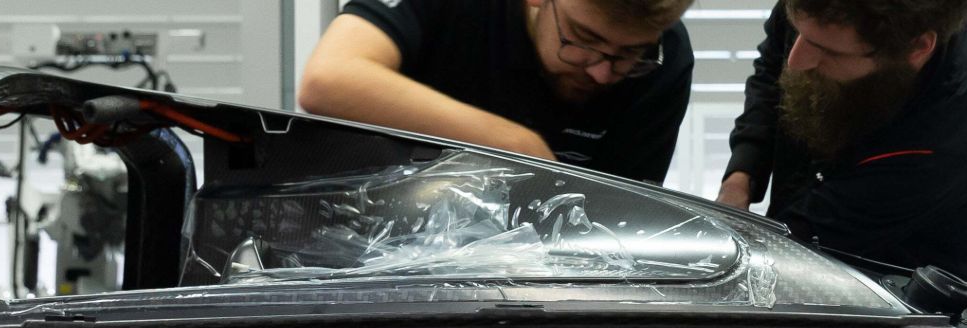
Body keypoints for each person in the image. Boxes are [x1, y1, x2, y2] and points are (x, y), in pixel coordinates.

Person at [714, 0, 967, 283]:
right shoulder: (824, 11)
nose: (796, 61)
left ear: (917, 49)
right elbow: (772, 70)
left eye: (826, 51)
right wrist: (742, 175)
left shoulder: (952, 132)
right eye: (798, 32)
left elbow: (803, 240)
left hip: (895, 299)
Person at [298, 0, 695, 184]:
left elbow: (626, 214)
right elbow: (329, 79)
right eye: (583, 39)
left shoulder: (667, 59)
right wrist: (517, 145)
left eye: (630, 54)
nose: (603, 72)